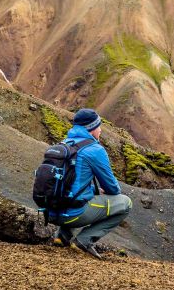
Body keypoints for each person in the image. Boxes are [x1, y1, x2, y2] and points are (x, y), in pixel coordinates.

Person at [50, 108, 132, 259]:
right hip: (73, 215)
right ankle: (84, 240)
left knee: (73, 196)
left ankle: (61, 236)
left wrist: (93, 190)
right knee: (125, 203)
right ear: (91, 128)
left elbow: (68, 183)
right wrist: (100, 190)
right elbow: (113, 189)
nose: (100, 130)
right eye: (98, 126)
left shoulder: (63, 144)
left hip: (51, 213)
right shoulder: (94, 150)